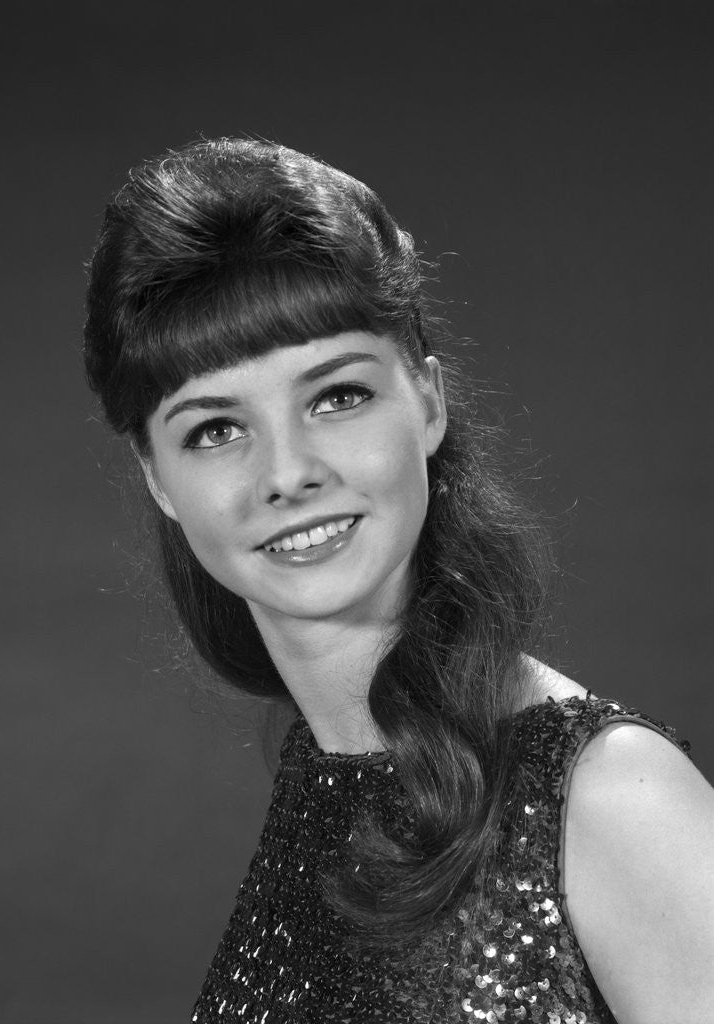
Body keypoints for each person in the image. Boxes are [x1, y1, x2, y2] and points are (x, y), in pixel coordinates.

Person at [83, 138, 714, 1023]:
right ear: (159, 481)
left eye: (336, 397)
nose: (287, 473)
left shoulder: (614, 799)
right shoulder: (323, 776)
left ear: (426, 402)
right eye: (215, 430)